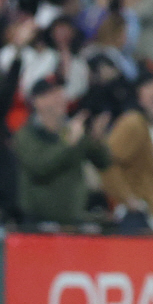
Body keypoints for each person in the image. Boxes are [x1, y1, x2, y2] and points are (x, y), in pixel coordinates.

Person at [13, 76, 111, 227]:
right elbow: (40, 166)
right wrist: (67, 143)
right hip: (38, 223)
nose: (60, 98)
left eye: (61, 93)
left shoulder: (71, 130)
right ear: (38, 102)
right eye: (53, 94)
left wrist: (97, 139)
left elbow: (103, 162)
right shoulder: (26, 134)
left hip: (73, 220)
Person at [103, 64, 153, 234]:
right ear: (141, 91)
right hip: (140, 221)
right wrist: (127, 198)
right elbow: (106, 162)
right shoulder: (132, 123)